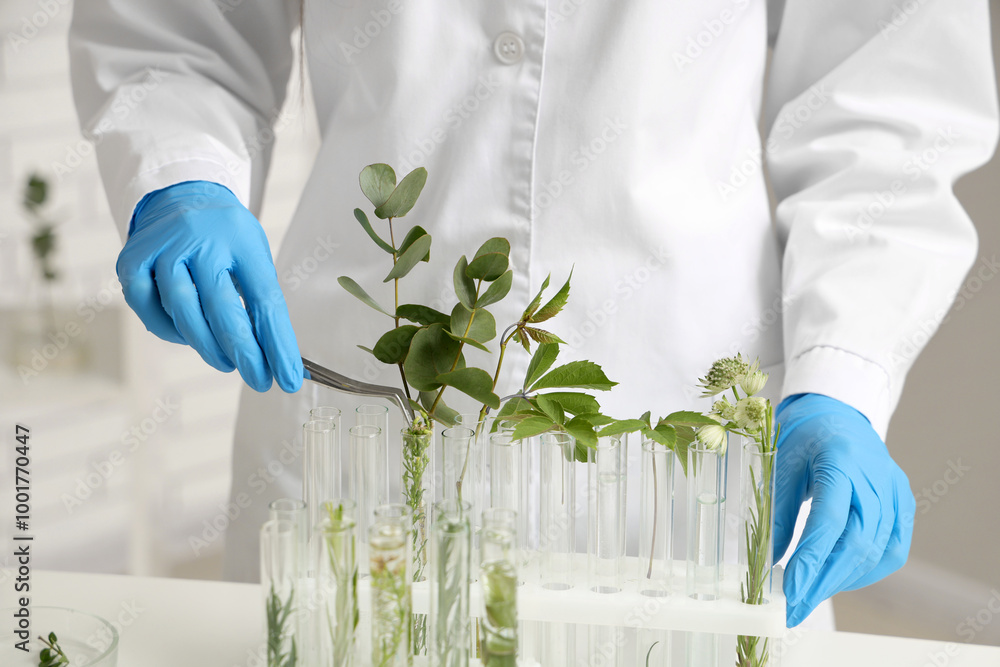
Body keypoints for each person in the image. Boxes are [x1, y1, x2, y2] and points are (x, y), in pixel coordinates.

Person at [68, 0, 997, 629]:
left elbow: (885, 104)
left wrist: (844, 373)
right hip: (353, 426)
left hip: (682, 458)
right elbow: (175, 30)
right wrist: (178, 173)